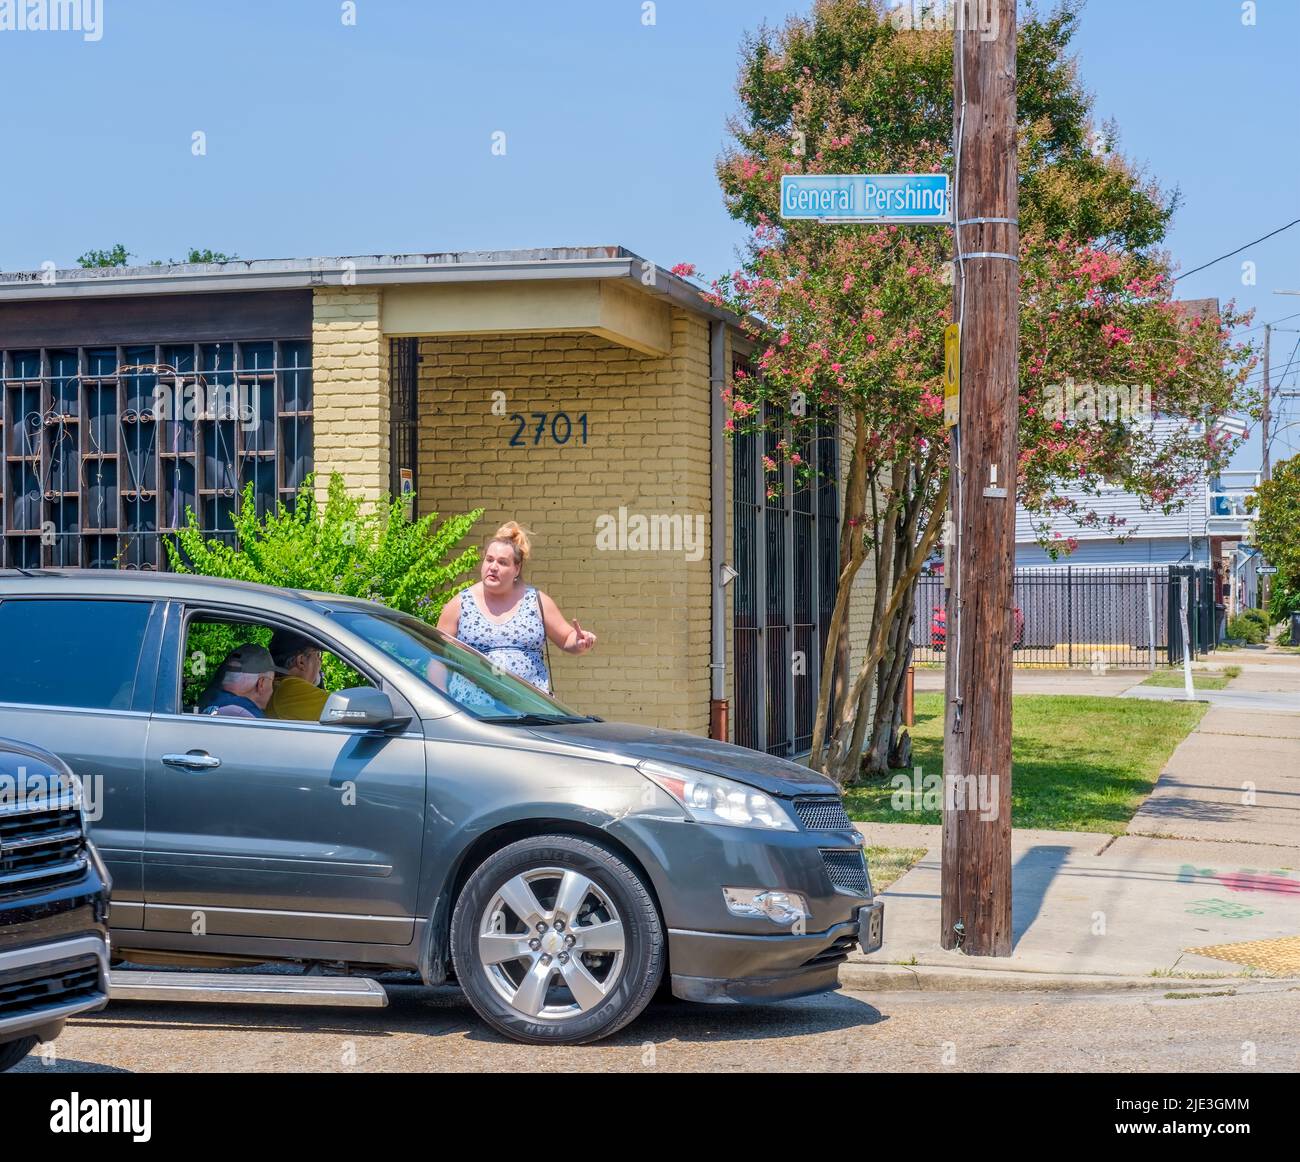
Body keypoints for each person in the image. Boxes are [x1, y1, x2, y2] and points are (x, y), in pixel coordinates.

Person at [436, 521, 596, 696]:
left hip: (529, 711)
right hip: (474, 713)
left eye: (502, 562)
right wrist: (440, 699)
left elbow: (566, 638)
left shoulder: (536, 601)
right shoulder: (460, 604)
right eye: (489, 560)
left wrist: (580, 642)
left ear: (516, 568)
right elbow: (437, 656)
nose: (493, 567)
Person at [265, 630, 329, 721]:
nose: (320, 661)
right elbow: (343, 710)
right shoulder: (290, 688)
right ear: (301, 661)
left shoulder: (276, 685)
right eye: (318, 655)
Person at [198, 644, 276, 718]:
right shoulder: (246, 715)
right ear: (261, 684)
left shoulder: (206, 700)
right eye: (271, 682)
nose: (272, 690)